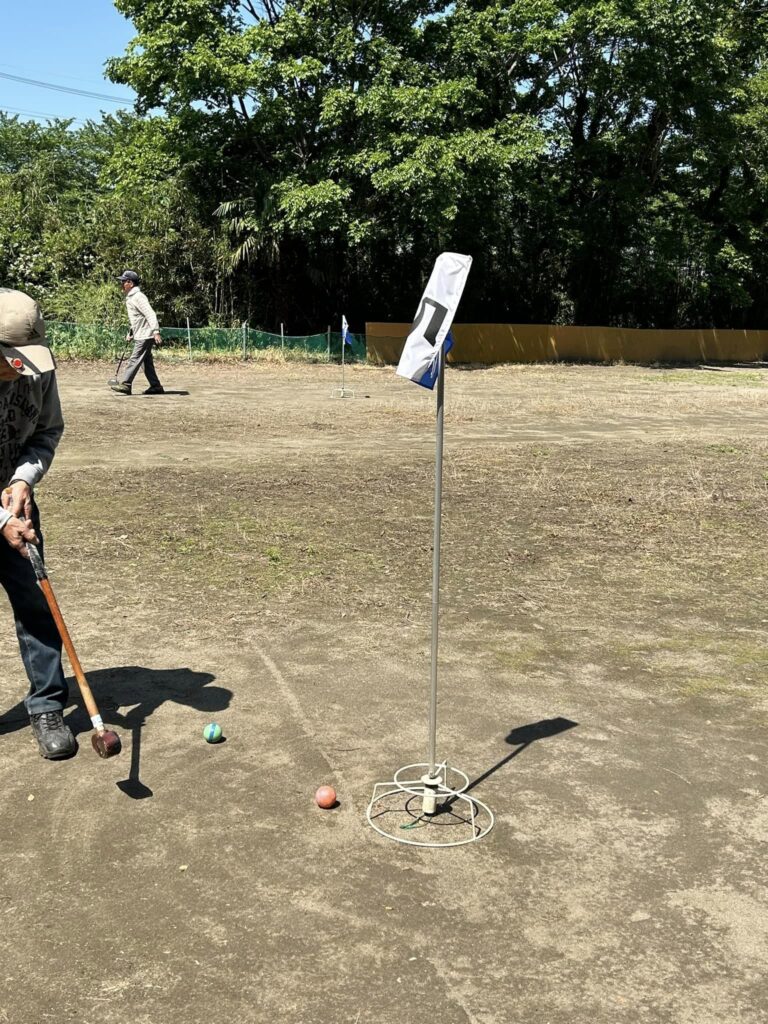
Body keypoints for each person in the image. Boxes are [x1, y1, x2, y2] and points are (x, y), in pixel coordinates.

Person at [0, 287, 76, 759]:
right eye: (12, 359)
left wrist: (23, 479)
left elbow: (48, 430)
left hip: (14, 501)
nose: (22, 369)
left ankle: (47, 704)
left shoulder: (38, 371)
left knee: (35, 601)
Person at [109, 270, 165, 395]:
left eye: (123, 281)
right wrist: (131, 332)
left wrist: (156, 331)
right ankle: (156, 386)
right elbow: (137, 318)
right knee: (146, 362)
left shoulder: (138, 297)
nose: (121, 284)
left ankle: (126, 384)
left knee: (135, 359)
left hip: (145, 334)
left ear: (130, 283)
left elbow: (150, 314)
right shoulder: (132, 297)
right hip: (141, 333)